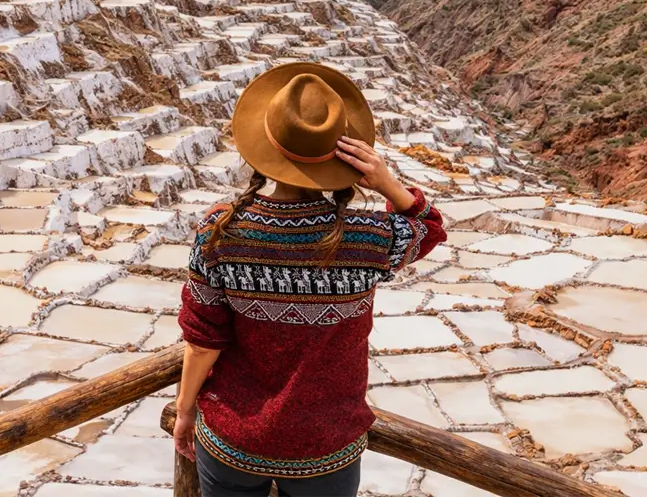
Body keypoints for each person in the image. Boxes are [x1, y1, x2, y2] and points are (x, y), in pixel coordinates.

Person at [174, 62, 446, 497]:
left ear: (264, 147)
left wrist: (185, 410)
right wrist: (387, 183)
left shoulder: (221, 233)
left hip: (234, 440)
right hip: (326, 449)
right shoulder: (368, 239)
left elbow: (203, 341)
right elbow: (429, 229)